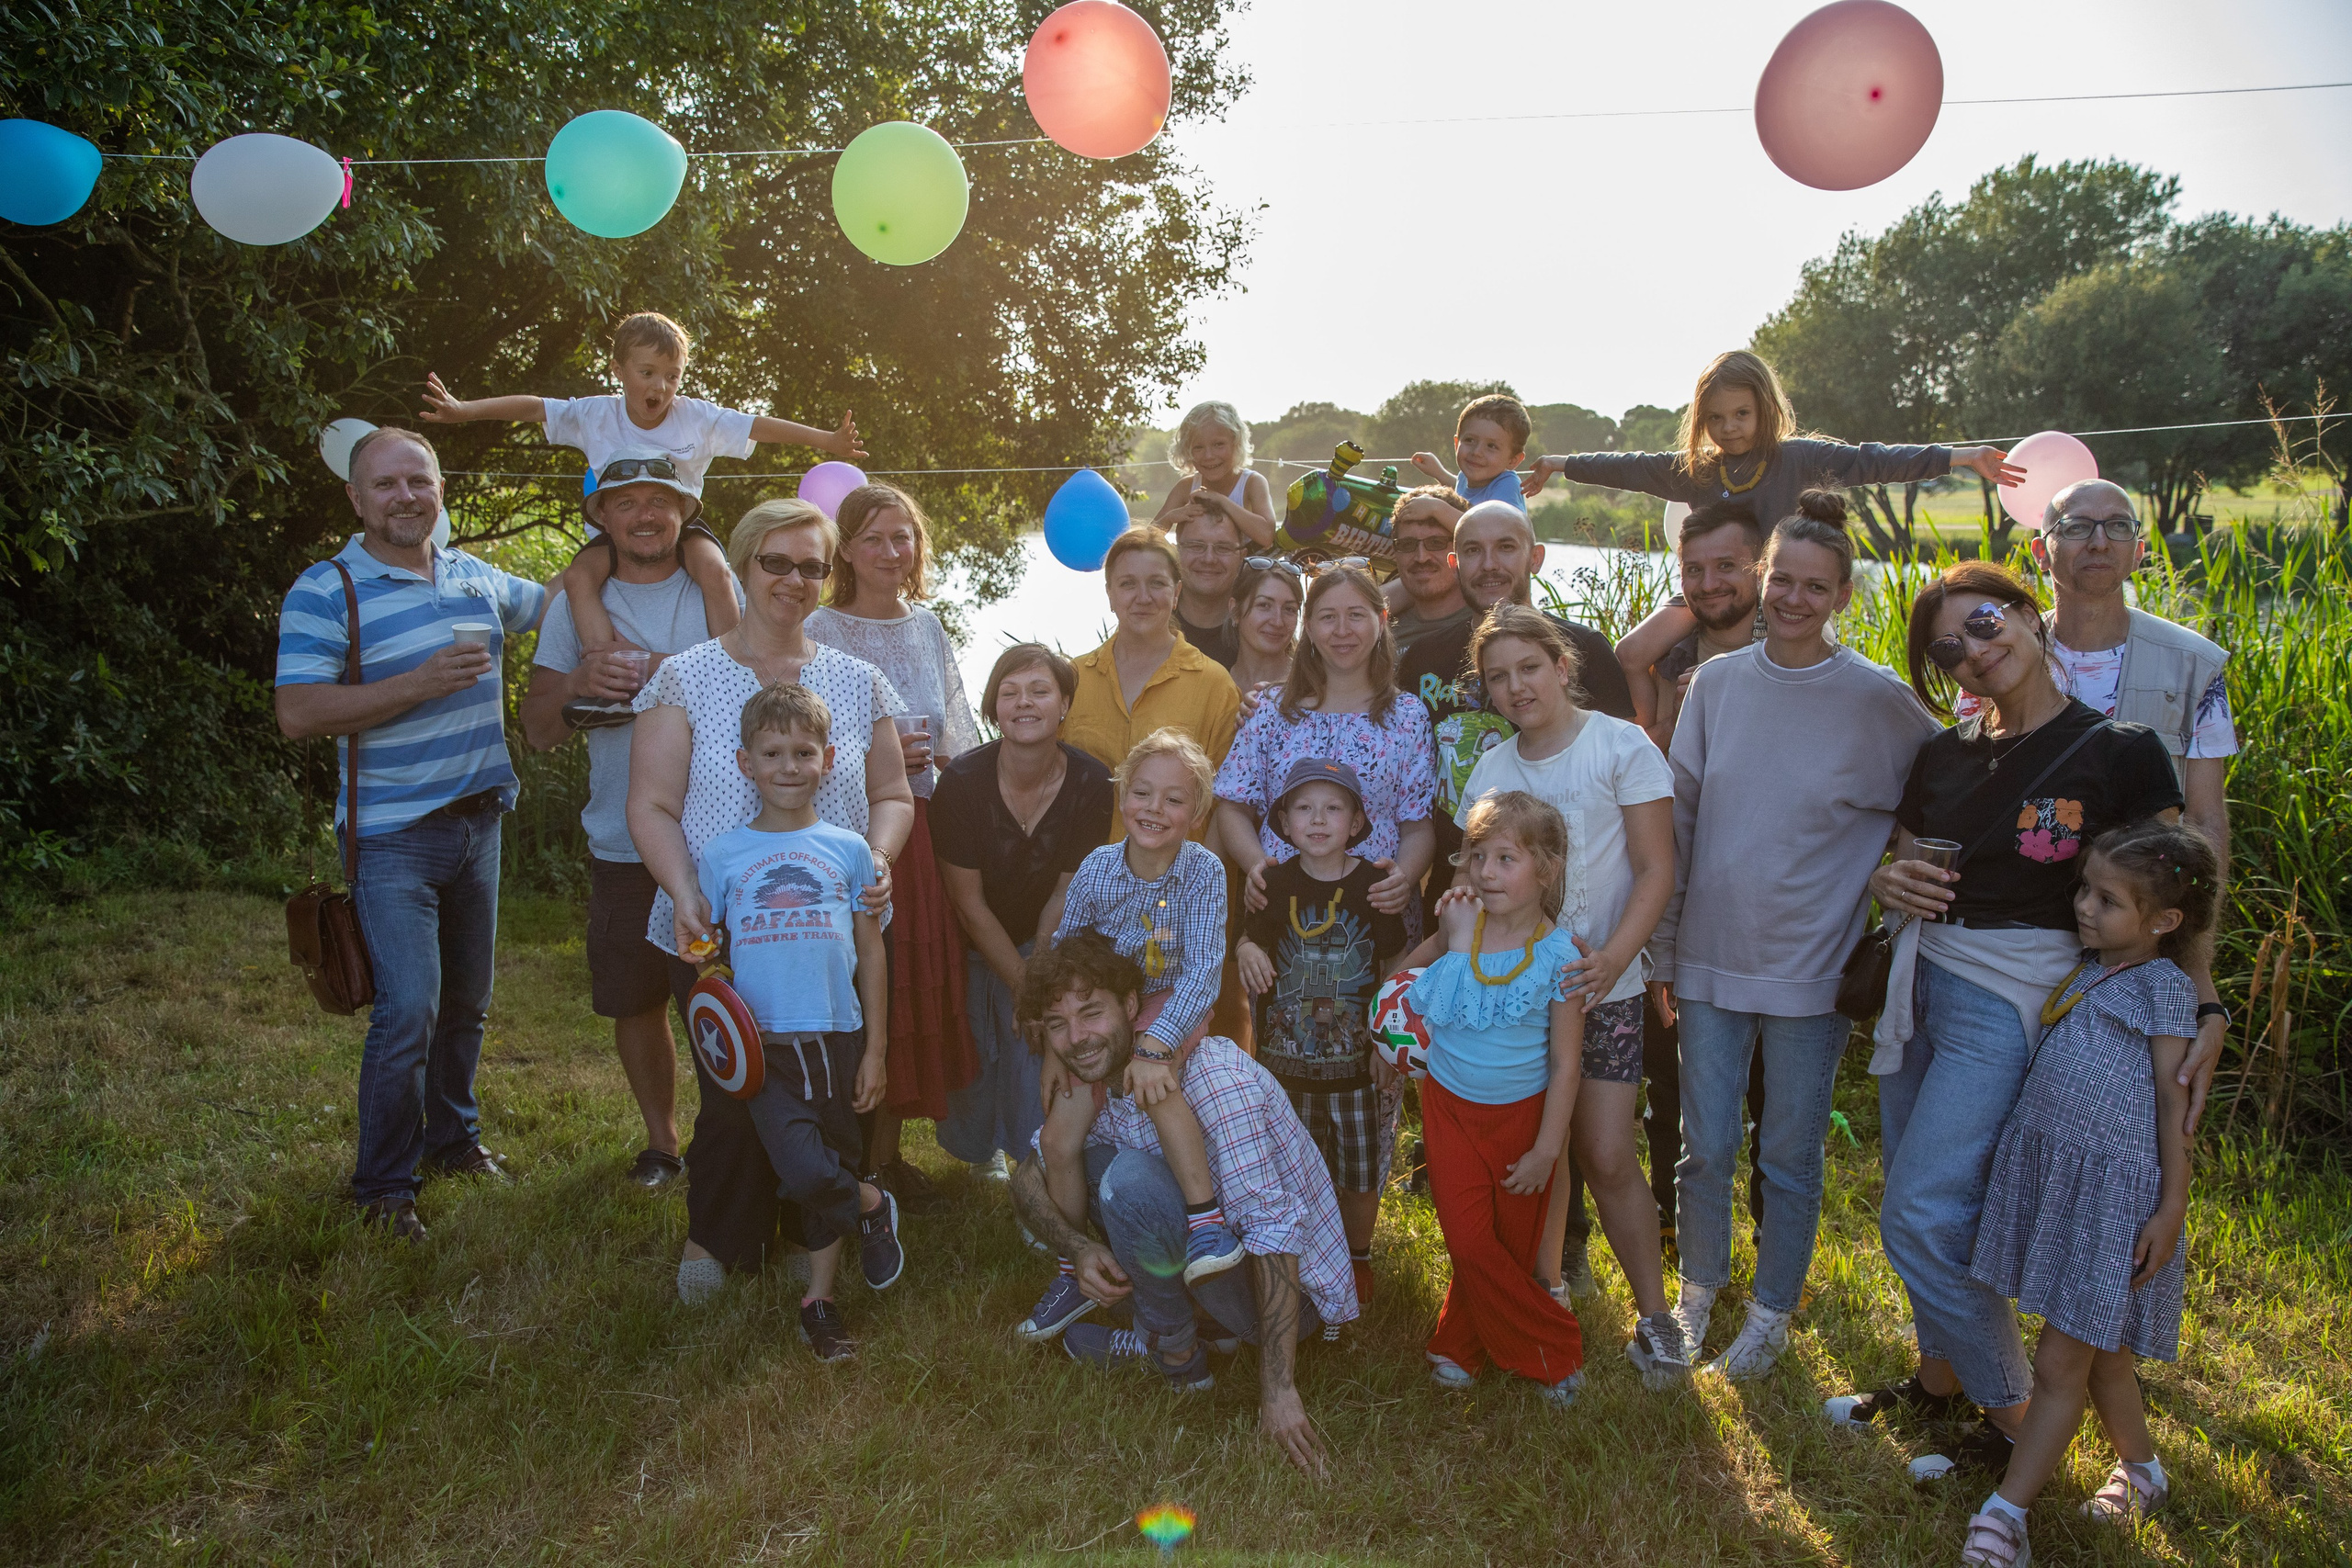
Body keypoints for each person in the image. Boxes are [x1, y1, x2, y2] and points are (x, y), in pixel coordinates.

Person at [1828, 560, 2185, 1482]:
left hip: (2014, 1000)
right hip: (1922, 986)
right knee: (1930, 1200)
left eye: (1985, 625)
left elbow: (2171, 891)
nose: (1974, 653)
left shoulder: (2119, 751)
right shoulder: (1942, 756)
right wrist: (1885, 879)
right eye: (1948, 649)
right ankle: (1936, 1380)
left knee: (1916, 1213)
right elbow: (1903, 860)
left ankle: (2021, 1421)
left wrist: (2195, 1006)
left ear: (2028, 613)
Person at [1650, 492, 1944, 1380]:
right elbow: (1683, 821)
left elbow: (1942, 795)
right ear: (1760, 578)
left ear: (1845, 595)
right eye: (1782, 579)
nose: (1793, 599)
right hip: (1708, 954)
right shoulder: (1717, 685)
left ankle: (1774, 1310)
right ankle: (1698, 1290)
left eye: (1816, 587)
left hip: (1814, 966)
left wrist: (1894, 873)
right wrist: (1663, 948)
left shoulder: (1878, 700)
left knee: (1788, 1151)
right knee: (1705, 1146)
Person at [624, 497, 914, 1302]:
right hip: (713, 926)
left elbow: (891, 791)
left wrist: (879, 860)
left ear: (831, 575)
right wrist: (685, 891)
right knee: (736, 1090)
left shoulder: (859, 682)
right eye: (776, 562)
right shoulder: (684, 676)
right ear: (746, 563)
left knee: (825, 1090)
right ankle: (718, 1233)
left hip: (831, 930)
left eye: (813, 565)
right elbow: (649, 804)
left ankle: (808, 1225)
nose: (794, 578)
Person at [273, 427, 551, 1241]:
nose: (405, 496)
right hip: (392, 835)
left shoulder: (476, 576)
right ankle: (384, 1189)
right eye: (386, 484)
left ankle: (453, 1141)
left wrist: (648, 525)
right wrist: (416, 684)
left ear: (439, 489)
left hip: (480, 825)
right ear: (356, 498)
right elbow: (298, 713)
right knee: (409, 1012)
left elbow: (565, 598)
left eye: (418, 481)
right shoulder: (328, 590)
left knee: (467, 1003)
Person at [1956, 820, 2216, 1567]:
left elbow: (2176, 1107)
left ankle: (2006, 1515)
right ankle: (2143, 1473)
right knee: (2106, 1358)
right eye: (2084, 889)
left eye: (2107, 899)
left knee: (2062, 1364)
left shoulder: (2164, 987)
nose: (2084, 906)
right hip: (2062, 1177)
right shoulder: (2089, 966)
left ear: (2163, 922)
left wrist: (2171, 1206)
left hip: (2115, 1197)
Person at [1007, 931, 1354, 1478]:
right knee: (1086, 1163)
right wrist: (1077, 1247)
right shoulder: (1096, 1071)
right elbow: (1028, 1176)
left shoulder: (1214, 1079)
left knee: (1128, 1184)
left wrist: (1279, 1390)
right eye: (1058, 1025)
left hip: (1291, 1297)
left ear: (1130, 1007)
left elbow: (1274, 1231)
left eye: (1091, 1013)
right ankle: (1192, 1328)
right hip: (1214, 1254)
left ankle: (1171, 1354)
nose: (1076, 1038)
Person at [1957, 479, 2234, 1120]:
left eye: (2118, 526)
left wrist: (2196, 974)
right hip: (2010, 947)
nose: (2099, 540)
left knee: (2118, 1139)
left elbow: (2204, 823)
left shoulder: (2195, 666)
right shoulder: (1990, 657)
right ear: (2039, 550)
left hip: (2132, 957)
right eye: (2078, 527)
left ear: (2140, 549)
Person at [1453, 606, 1681, 1381]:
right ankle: (1542, 1305)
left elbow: (1656, 869)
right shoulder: (1491, 769)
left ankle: (1657, 1319)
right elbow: (1476, 879)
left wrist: (1616, 959)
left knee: (1609, 1152)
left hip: (1602, 989)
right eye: (1497, 677)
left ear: (1561, 664)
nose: (1515, 686)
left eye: (1528, 667)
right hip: (1518, 1002)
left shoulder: (1619, 745)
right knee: (1535, 1161)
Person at [520, 450, 736, 1189]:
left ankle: (729, 1141)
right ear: (601, 517)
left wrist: (653, 668)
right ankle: (661, 1143)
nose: (646, 514)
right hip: (618, 842)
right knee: (634, 999)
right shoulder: (570, 607)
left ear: (684, 511)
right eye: (628, 501)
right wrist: (581, 678)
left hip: (712, 844)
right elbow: (539, 729)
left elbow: (754, 686)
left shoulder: (717, 587)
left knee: (717, 996)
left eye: (661, 500)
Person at [1521, 348, 2019, 661]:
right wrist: (1558, 463)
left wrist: (1961, 456)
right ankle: (1652, 737)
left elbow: (1873, 461)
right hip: (1712, 597)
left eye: (1742, 414)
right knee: (1635, 652)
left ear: (1766, 409)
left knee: (1744, 673)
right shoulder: (1698, 467)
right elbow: (1627, 466)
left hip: (1777, 602)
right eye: (1715, 418)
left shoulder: (1797, 458)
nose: (1730, 427)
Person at [419, 310, 864, 655]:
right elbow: (535, 408)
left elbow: (757, 426)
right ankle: (603, 657)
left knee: (713, 569)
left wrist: (825, 439)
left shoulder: (696, 417)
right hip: (615, 530)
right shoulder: (595, 414)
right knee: (577, 578)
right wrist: (464, 410)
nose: (661, 386)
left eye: (672, 376)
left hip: (680, 528)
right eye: (647, 372)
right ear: (619, 370)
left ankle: (733, 662)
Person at [693, 684, 907, 1361]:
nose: (789, 765)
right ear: (744, 763)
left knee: (833, 1156)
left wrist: (875, 1048)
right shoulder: (723, 855)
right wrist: (704, 972)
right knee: (802, 1166)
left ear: (830, 759)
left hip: (837, 1036)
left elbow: (871, 951)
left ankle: (820, 1301)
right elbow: (709, 956)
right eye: (773, 752)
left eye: (804, 752)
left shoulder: (851, 850)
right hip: (765, 1048)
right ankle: (873, 1203)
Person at [1021, 729, 1242, 1344]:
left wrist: (1154, 1044)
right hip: (1103, 1011)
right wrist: (1053, 1045)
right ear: (1123, 797)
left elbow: (1203, 971)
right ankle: (1074, 1263)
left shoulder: (1203, 871)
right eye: (1143, 792)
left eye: (1174, 799)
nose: (1154, 808)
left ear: (1196, 814)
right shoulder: (1097, 867)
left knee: (1156, 1086)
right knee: (1059, 1136)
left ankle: (1205, 1222)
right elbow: (1065, 955)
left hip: (1172, 1002)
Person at [806, 483, 984, 1211]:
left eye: (902, 537)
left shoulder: (930, 628)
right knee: (853, 988)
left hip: (920, 832)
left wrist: (941, 758)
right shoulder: (820, 627)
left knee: (911, 982)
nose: (889, 551)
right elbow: (797, 735)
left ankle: (885, 1156)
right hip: (842, 833)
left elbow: (962, 736)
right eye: (873, 538)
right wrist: (873, 747)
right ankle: (840, 1154)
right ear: (845, 548)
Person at [1406, 792, 1587, 1405]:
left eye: (1505, 858)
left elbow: (1566, 1065)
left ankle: (1459, 1344)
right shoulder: (1462, 922)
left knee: (1505, 1246)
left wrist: (1546, 1148)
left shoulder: (1560, 957)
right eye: (1478, 856)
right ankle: (1553, 1348)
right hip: (1450, 1108)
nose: (1485, 872)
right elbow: (1410, 981)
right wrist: (1388, 1036)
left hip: (1521, 1120)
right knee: (1468, 1240)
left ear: (1547, 867)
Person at [1396, 500, 1635, 931]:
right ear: (1454, 562)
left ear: (1535, 557)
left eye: (1506, 547)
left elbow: (1628, 791)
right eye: (1471, 551)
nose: (1489, 565)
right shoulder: (1421, 659)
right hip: (1461, 894)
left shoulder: (1585, 651)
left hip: (1571, 914)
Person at [931, 644, 1115, 1179]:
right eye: (1009, 693)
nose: (1024, 703)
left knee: (1035, 1037)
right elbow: (967, 903)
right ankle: (976, 1151)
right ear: (993, 708)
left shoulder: (1091, 780)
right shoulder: (961, 783)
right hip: (970, 936)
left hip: (1050, 937)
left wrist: (1036, 982)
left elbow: (1066, 891)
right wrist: (1020, 987)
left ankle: (1034, 1158)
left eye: (1039, 691)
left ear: (1064, 705)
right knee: (974, 1037)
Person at [1234, 760, 1409, 1303]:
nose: (1317, 820)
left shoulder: (1376, 885)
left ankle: (1357, 1257)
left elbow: (1395, 963)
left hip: (1355, 1070)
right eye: (1304, 808)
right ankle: (1299, 1254)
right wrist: (1245, 951)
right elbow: (1247, 938)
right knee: (1290, 1173)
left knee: (1357, 1175)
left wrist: (1385, 1043)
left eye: (1333, 808)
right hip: (1283, 1072)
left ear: (1357, 822)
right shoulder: (1273, 881)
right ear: (1284, 822)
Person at [1214, 563, 1437, 935]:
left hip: (1376, 911)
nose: (1343, 631)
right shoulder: (1269, 709)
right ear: (1310, 628)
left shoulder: (1408, 716)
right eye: (1328, 617)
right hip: (1281, 904)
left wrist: (1404, 878)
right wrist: (1258, 865)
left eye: (1356, 616)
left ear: (1381, 620)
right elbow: (1233, 806)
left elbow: (1418, 824)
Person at [1061, 526, 1241, 797]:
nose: (1143, 598)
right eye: (1127, 584)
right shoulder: (1074, 678)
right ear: (1110, 593)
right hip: (1086, 841)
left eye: (1157, 583)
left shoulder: (1214, 685)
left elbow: (1224, 800)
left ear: (1176, 593)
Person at [1616, 499, 1766, 750]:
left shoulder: (1788, 661)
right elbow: (1627, 767)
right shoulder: (1663, 665)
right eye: (1694, 570)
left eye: (1725, 566)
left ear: (1760, 570)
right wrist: (1676, 725)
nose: (1709, 585)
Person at [1154, 399, 1279, 550]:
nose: (1208, 456)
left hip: (1245, 569)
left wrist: (1220, 500)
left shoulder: (1252, 482)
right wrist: (1169, 518)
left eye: (1218, 445)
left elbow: (1267, 536)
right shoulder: (1186, 487)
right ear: (1187, 451)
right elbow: (1146, 540)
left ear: (1236, 443)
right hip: (1199, 568)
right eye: (1198, 447)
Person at [1385, 486, 1473, 658]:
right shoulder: (1375, 634)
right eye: (1407, 545)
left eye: (1436, 543)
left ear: (1462, 550)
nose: (1421, 557)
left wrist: (1437, 508)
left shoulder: (1491, 620)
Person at [1410, 391, 1532, 511]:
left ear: (1513, 460)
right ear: (1457, 444)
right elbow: (1461, 488)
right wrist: (1438, 473)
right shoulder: (1465, 476)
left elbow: (1486, 528)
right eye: (1470, 440)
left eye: (1491, 446)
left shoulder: (1507, 485)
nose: (1477, 452)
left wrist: (1437, 508)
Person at [1170, 505, 1248, 669]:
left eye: (1223, 548)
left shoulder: (1257, 630)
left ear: (1242, 556)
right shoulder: (1153, 621)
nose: (1209, 559)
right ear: (1177, 551)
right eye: (1196, 546)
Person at [1227, 556, 1303, 699]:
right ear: (1235, 610)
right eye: (1264, 605)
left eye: (1289, 609)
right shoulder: (1213, 682)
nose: (1277, 622)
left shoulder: (1312, 686)